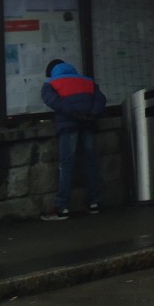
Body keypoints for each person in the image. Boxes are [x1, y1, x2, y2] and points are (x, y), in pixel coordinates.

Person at [40, 59, 106, 221]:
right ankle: (93, 203)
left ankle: (62, 208)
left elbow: (54, 102)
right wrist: (91, 114)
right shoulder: (86, 80)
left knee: (66, 165)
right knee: (90, 162)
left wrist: (74, 113)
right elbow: (100, 99)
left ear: (51, 72)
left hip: (68, 126)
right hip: (88, 124)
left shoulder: (50, 83)